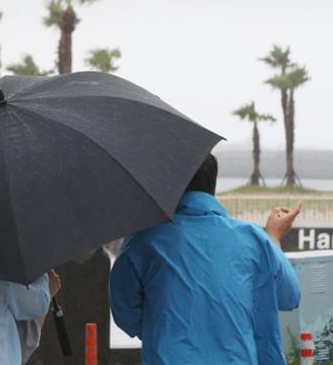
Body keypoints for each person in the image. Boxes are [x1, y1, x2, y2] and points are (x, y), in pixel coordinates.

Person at [109, 154, 301, 365]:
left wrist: (163, 330)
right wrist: (273, 237)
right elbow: (289, 296)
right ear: (212, 184)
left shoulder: (143, 240)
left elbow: (125, 315)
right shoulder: (253, 239)